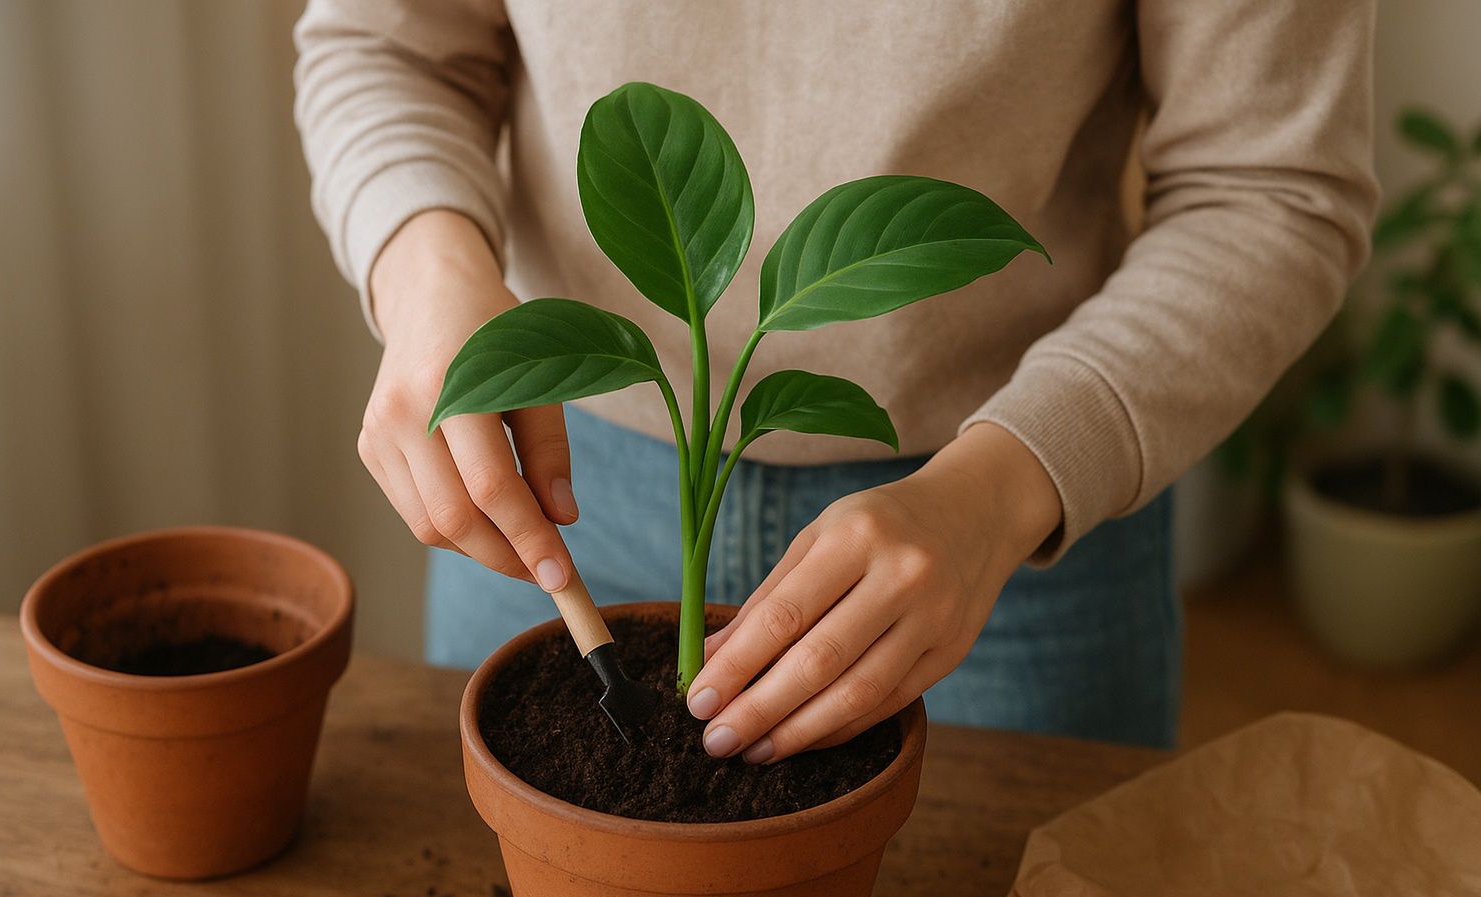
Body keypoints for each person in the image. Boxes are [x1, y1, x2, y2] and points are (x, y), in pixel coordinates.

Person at [294, 1, 1376, 761]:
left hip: (1003, 522)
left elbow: (1271, 185)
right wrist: (429, 271)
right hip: (558, 485)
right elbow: (389, 46)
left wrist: (999, 494)